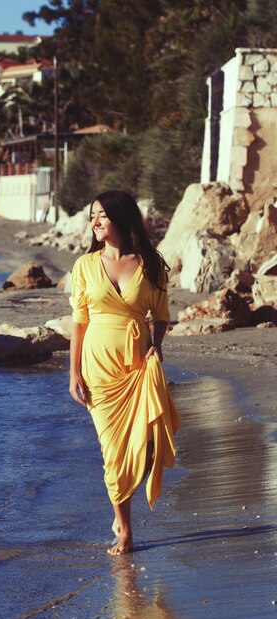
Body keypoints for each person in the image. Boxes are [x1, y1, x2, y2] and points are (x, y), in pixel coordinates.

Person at [69, 189, 180, 556]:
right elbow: (79, 322)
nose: (95, 222)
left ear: (120, 217)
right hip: (99, 368)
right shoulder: (85, 266)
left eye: (101, 214)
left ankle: (124, 515)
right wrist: (73, 373)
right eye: (91, 216)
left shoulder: (149, 263)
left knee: (145, 446)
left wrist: (157, 343)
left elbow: (161, 315)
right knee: (112, 453)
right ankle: (126, 532)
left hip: (138, 365)